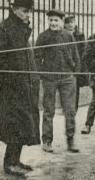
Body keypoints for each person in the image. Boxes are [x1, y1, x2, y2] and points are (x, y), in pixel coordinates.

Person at [0, 0, 40, 176]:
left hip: (25, 86)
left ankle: (16, 160)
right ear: (14, 9)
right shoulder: (2, 29)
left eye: (30, 11)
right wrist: (14, 78)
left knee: (24, 124)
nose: (28, 15)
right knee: (14, 124)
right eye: (25, 11)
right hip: (12, 88)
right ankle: (9, 163)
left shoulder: (20, 28)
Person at [34, 9, 80, 153]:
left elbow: (76, 55)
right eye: (51, 20)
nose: (53, 23)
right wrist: (41, 73)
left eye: (56, 20)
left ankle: (71, 140)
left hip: (67, 78)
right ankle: (47, 141)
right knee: (49, 110)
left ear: (61, 22)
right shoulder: (43, 37)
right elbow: (36, 57)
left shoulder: (68, 36)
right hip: (49, 79)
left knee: (70, 110)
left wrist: (75, 73)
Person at [64, 15, 87, 110]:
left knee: (75, 86)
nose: (70, 24)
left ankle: (74, 108)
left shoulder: (80, 35)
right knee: (65, 87)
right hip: (65, 64)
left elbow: (83, 50)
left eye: (72, 22)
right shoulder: (62, 34)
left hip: (76, 63)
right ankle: (66, 107)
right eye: (68, 22)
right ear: (65, 24)